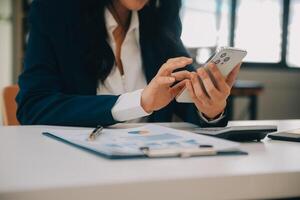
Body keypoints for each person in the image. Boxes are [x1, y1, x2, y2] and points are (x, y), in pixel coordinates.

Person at [16, 0, 241, 127]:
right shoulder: (53, 12)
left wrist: (210, 108)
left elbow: (185, 98)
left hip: (151, 167)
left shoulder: (160, 18)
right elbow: (33, 106)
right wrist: (139, 101)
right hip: (77, 169)